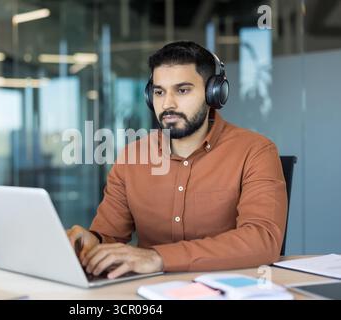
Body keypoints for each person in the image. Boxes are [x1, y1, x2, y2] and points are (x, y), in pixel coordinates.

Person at [67, 41, 287, 280]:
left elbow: (262, 240)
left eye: (182, 90)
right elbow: (110, 235)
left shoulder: (255, 151)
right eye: (159, 92)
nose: (168, 104)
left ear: (214, 93)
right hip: (144, 294)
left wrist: (158, 257)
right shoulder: (132, 157)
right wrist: (94, 240)